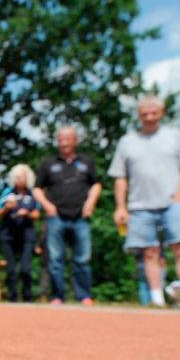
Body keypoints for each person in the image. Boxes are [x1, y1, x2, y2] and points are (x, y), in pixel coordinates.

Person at [108, 95, 180, 307]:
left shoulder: (174, 136)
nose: (149, 117)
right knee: (149, 252)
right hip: (140, 206)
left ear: (161, 113)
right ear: (138, 115)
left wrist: (179, 197)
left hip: (171, 203)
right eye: (144, 113)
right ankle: (156, 298)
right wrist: (120, 206)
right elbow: (120, 177)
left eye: (153, 113)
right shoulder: (127, 142)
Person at [34, 126, 101, 305]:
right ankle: (57, 296)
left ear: (75, 140)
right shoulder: (48, 163)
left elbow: (96, 185)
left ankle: (84, 295)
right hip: (56, 217)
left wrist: (90, 203)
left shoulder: (86, 162)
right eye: (60, 139)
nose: (64, 142)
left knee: (82, 258)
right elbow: (37, 188)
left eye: (67, 138)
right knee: (55, 259)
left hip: (80, 217)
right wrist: (47, 206)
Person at [0, 164, 40, 303]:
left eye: (23, 176)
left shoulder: (32, 193)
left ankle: (27, 297)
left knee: (26, 268)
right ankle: (12, 297)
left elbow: (37, 214)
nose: (20, 179)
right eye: (17, 176)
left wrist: (27, 214)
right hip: (8, 235)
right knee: (10, 269)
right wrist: (6, 208)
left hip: (26, 235)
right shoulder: (7, 193)